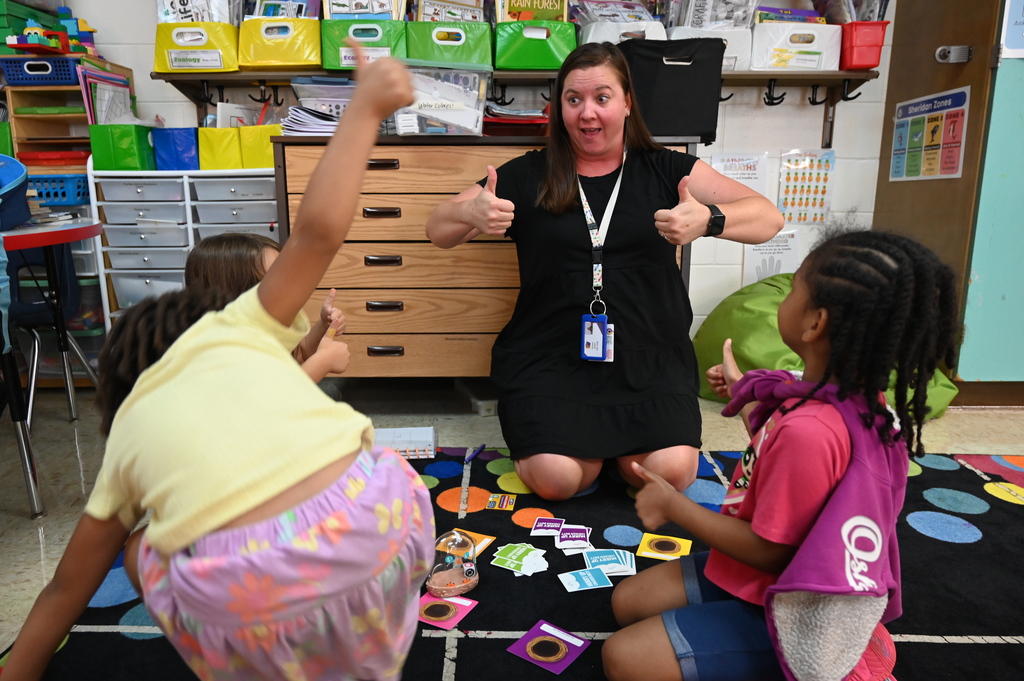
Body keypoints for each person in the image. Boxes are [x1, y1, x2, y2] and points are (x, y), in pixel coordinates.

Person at [2, 47, 433, 681]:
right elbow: (319, 231)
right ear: (201, 321)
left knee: (137, 550)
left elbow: (65, 592)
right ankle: (363, 643)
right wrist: (364, 107)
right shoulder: (232, 330)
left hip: (255, 605)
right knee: (370, 469)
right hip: (388, 524)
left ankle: (255, 658)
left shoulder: (126, 437)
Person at [425, 42, 784, 500]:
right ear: (559, 108)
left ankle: (613, 455)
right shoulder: (528, 174)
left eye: (602, 98)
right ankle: (594, 455)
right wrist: (472, 214)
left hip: (649, 360)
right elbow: (437, 229)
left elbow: (768, 219)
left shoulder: (668, 169)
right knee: (557, 480)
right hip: (550, 358)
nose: (587, 113)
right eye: (574, 100)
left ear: (628, 103)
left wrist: (709, 219)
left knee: (670, 473)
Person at [601, 230, 960, 681]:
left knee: (622, 658)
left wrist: (677, 507)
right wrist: (742, 391)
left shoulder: (810, 430)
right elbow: (780, 442)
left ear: (815, 324)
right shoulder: (851, 400)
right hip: (772, 572)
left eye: (794, 289)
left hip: (796, 596)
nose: (784, 297)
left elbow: (770, 551)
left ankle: (837, 651)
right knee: (625, 603)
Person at [185, 232, 350, 382]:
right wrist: (323, 362)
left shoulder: (262, 327)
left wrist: (324, 325)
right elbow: (279, 398)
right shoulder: (221, 350)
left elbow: (297, 357)